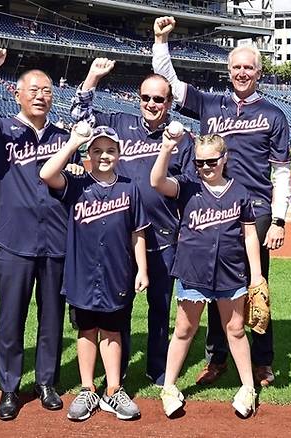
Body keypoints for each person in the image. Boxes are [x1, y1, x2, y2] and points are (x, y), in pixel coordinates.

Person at [153, 16, 291, 387]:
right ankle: (217, 359)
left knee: (255, 286)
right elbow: (170, 84)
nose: (242, 72)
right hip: (212, 207)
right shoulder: (210, 104)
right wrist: (161, 41)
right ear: (228, 71)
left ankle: (261, 360)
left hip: (255, 211)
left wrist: (279, 220)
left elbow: (280, 172)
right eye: (236, 67)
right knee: (215, 285)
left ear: (258, 72)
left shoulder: (273, 114)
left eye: (249, 67)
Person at [0, 48, 80, 420]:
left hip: (56, 239)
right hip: (13, 238)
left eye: (46, 89)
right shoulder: (1, 128)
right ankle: (9, 388)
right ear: (17, 94)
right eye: (32, 89)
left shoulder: (65, 137)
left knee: (52, 317)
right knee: (10, 317)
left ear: (53, 95)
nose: (39, 95)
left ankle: (46, 382)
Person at [71, 57, 195, 386]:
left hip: (164, 236)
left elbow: (188, 189)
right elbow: (80, 119)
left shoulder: (181, 140)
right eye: (146, 98)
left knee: (159, 307)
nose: (151, 104)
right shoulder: (120, 124)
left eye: (159, 99)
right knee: (119, 308)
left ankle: (156, 368)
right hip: (122, 240)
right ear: (138, 98)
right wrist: (91, 79)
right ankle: (118, 369)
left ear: (169, 103)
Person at [40, 125, 149, 421]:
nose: (104, 156)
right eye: (97, 150)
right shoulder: (76, 184)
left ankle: (113, 390)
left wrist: (142, 269)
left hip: (117, 272)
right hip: (82, 273)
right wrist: (74, 141)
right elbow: (47, 174)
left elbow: (137, 233)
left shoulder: (129, 187)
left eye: (110, 150)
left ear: (119, 153)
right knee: (86, 331)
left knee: (113, 331)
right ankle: (88, 388)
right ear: (89, 154)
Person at [150, 132, 263, 418]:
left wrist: (257, 275)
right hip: (193, 270)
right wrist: (166, 148)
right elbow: (157, 182)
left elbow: (249, 234)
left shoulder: (239, 192)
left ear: (224, 159)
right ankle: (169, 387)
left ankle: (248, 387)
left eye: (212, 161)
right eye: (200, 162)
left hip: (230, 272)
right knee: (184, 329)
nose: (206, 167)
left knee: (236, 330)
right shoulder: (188, 186)